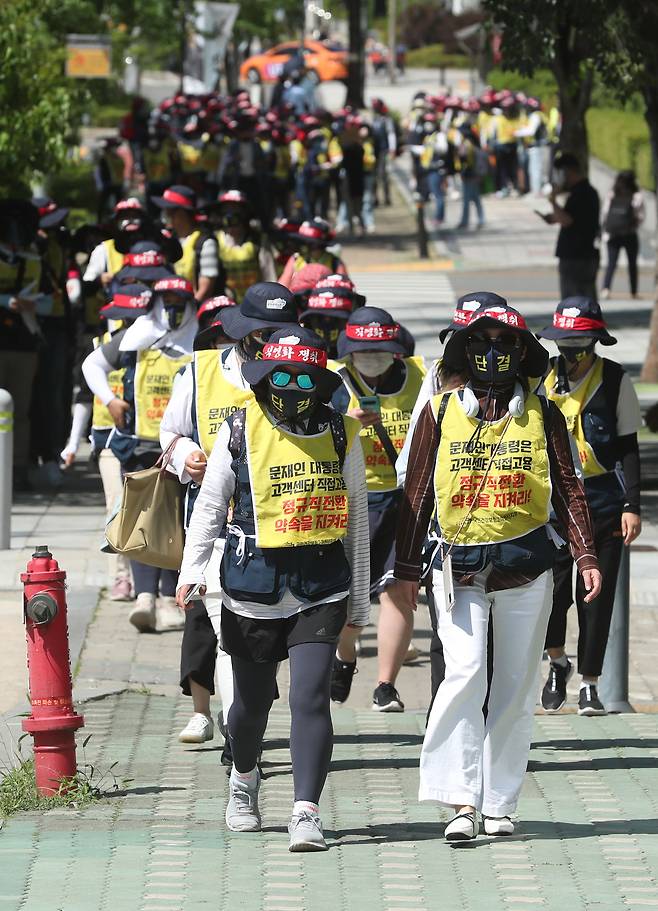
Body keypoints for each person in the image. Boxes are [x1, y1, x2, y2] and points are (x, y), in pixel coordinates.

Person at [395, 302, 601, 841]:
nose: (492, 352)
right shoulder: (439, 411)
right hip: (457, 567)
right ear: (464, 351)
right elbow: (416, 491)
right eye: (480, 342)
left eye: (505, 342)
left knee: (514, 684)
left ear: (521, 352)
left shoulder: (544, 414)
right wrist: (405, 568)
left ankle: (499, 803)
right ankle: (460, 801)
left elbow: (568, 486)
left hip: (526, 567)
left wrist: (586, 555)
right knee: (464, 672)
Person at [176, 327, 369, 851]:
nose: (292, 388)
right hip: (253, 587)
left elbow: (357, 520)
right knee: (250, 705)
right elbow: (211, 505)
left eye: (305, 379)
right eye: (281, 377)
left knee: (310, 697)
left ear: (320, 384)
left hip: (320, 586)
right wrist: (192, 570)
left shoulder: (342, 434)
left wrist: (359, 600)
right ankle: (244, 777)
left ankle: (306, 811)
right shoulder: (238, 429)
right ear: (263, 378)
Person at [160, 282, 299, 746]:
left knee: (257, 635)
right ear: (243, 332)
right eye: (263, 334)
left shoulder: (301, 373)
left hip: (279, 525)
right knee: (220, 629)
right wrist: (186, 455)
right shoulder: (198, 372)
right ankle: (232, 732)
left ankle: (243, 724)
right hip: (214, 525)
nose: (270, 342)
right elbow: (170, 433)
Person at [536, 296, 642, 714]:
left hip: (603, 501)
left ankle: (590, 684)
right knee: (550, 594)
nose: (573, 354)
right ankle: (557, 662)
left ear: (596, 342)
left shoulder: (615, 380)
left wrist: (632, 505)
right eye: (565, 345)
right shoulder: (540, 377)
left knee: (596, 597)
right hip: (553, 504)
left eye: (580, 345)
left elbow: (629, 446)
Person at [82, 276, 197, 632]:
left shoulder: (198, 340)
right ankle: (144, 597)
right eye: (167, 302)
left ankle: (167, 598)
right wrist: (110, 400)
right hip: (138, 446)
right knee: (140, 522)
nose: (173, 309)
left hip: (183, 451)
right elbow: (92, 365)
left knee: (177, 525)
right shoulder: (135, 337)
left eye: (180, 302)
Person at [330, 307, 426, 711]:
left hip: (406, 499)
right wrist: (346, 423)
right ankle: (344, 655)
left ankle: (386, 685)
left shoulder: (421, 377)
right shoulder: (332, 381)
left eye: (379, 350)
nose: (371, 358)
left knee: (398, 591)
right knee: (345, 598)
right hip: (352, 499)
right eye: (363, 351)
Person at [0, 199, 42, 491]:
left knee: (20, 410)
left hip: (24, 344)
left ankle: (17, 468)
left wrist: (34, 305)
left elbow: (52, 299)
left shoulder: (34, 261)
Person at [541, 152, 600, 301]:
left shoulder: (582, 193)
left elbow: (567, 220)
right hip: (583, 255)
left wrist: (553, 201)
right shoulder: (586, 192)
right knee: (586, 301)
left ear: (567, 171)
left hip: (576, 257)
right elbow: (575, 219)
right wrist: (554, 217)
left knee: (573, 303)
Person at [151, 185, 222, 300]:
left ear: (184, 213)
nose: (166, 215)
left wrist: (188, 309)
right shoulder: (165, 240)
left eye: (170, 211)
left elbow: (205, 291)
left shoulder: (205, 243)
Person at [212, 190, 276, 304]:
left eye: (235, 211)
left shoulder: (258, 240)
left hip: (255, 303)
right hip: (226, 304)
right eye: (226, 211)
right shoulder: (215, 239)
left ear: (245, 214)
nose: (230, 216)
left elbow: (270, 276)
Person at [600, 170, 645, 300]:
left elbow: (605, 213)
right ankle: (633, 291)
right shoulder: (637, 196)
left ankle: (606, 289)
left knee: (611, 263)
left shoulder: (612, 194)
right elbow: (641, 216)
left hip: (612, 234)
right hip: (630, 233)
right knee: (632, 264)